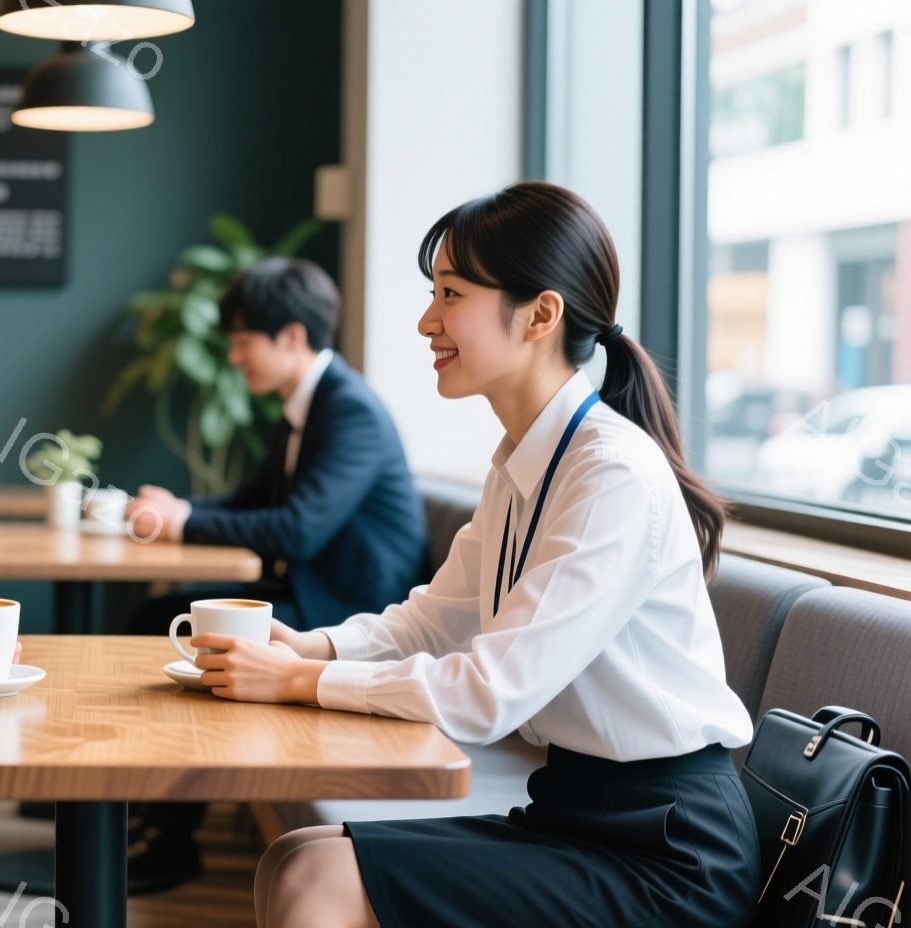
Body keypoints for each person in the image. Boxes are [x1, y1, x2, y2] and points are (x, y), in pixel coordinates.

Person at [196, 182, 758, 927]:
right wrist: (316, 643)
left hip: (667, 855)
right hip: (574, 813)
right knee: (292, 859)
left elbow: (490, 691)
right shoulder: (524, 460)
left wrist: (305, 680)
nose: (428, 319)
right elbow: (435, 619)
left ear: (541, 314)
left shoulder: (611, 473)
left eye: (451, 293)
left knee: (316, 883)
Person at [120, 257, 428, 893]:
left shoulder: (348, 411)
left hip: (353, 610)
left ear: (290, 337)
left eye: (241, 341)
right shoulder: (308, 406)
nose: (234, 358)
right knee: (158, 619)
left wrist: (179, 522)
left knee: (160, 622)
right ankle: (148, 816)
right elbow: (248, 500)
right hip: (316, 591)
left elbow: (296, 529)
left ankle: (166, 833)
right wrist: (177, 508)